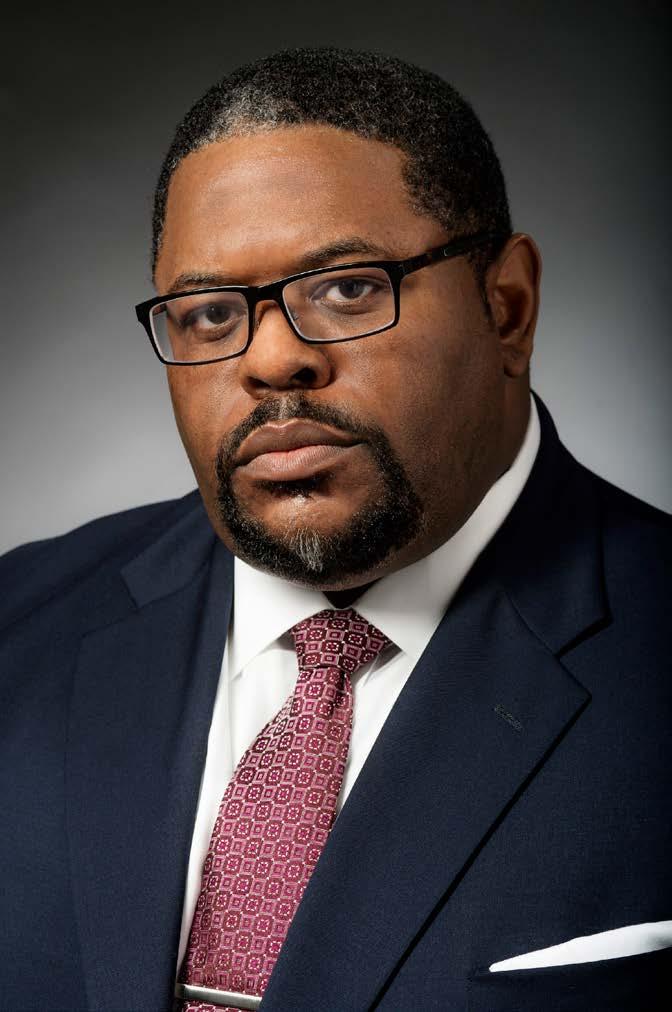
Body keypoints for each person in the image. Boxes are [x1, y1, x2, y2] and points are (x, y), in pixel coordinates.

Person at [0, 47, 669, 1012]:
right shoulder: (20, 626)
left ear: (507, 308)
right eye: (210, 312)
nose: (273, 360)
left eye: (349, 288)